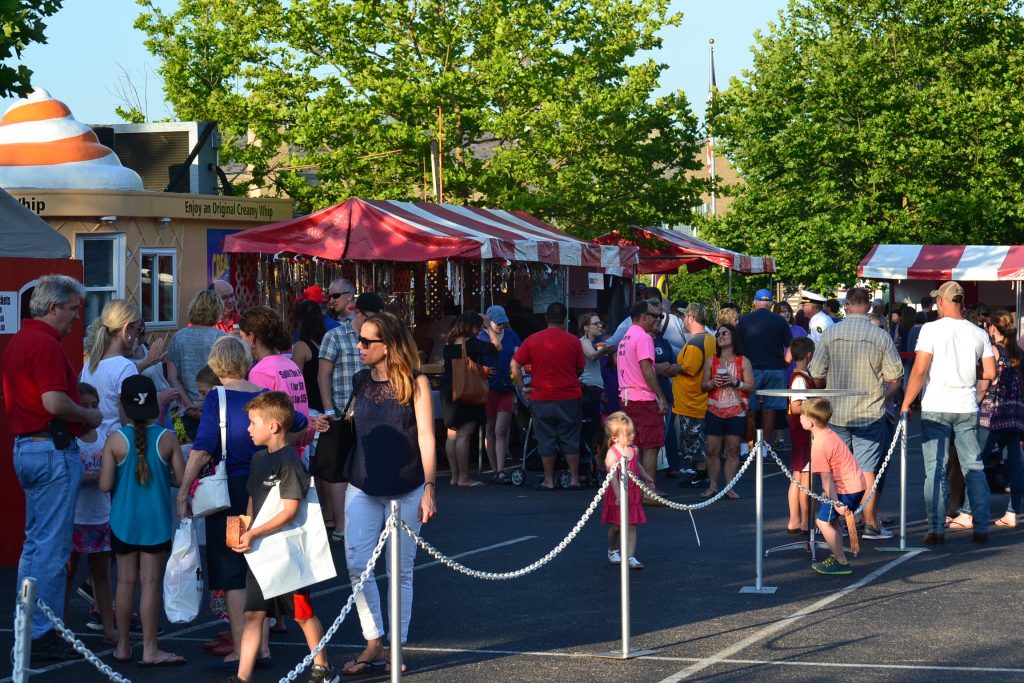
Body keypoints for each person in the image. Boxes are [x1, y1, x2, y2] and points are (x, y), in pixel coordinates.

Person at [177, 336, 311, 669]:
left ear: (216, 364)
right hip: (268, 483)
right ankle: (261, 645)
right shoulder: (262, 396)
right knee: (259, 562)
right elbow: (298, 425)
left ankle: (242, 646)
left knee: (230, 566)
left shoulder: (217, 397)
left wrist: (183, 490)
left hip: (232, 488)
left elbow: (203, 447)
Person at [1, 274, 102, 664]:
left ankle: (31, 626)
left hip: (30, 447)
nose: (77, 317)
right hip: (49, 447)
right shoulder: (43, 344)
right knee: (53, 547)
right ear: (53, 307)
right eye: (73, 309)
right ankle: (43, 632)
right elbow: (54, 403)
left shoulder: (21, 342)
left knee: (37, 544)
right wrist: (89, 416)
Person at [341, 312, 436, 676]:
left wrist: (430, 487)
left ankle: (395, 646)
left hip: (408, 485)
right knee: (356, 565)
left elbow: (427, 437)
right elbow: (357, 424)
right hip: (362, 482)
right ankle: (374, 641)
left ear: (388, 345)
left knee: (401, 570)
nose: (360, 347)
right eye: (360, 340)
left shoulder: (417, 382)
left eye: (367, 342)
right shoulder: (359, 380)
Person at [229, 391, 337, 683]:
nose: (248, 429)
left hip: (288, 550)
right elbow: (253, 498)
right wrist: (242, 529)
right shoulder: (257, 459)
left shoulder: (290, 462)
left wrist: (253, 532)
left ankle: (322, 667)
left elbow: (290, 511)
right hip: (260, 550)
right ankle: (242, 677)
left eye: (253, 423)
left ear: (274, 426)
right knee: (253, 615)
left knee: (302, 613)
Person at [99, 374, 186, 666]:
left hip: (123, 522)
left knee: (124, 582)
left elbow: (104, 485)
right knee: (150, 584)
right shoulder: (167, 437)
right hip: (157, 523)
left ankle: (123, 646)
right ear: (154, 406)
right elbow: (181, 479)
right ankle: (150, 649)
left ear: (123, 407)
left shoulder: (115, 440)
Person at [901, 281, 995, 545]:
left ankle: (936, 529)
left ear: (941, 302)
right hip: (966, 404)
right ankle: (981, 525)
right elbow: (990, 373)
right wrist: (967, 371)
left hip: (936, 405)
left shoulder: (930, 329)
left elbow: (919, 370)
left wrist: (906, 403)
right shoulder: (978, 333)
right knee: (973, 467)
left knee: (936, 469)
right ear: (961, 303)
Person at [808, 286, 903, 540]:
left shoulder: (831, 333)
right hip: (869, 412)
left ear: (846, 305)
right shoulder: (880, 336)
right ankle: (870, 523)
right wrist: (882, 397)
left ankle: (834, 521)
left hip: (836, 412)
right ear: (869, 306)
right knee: (867, 469)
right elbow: (896, 378)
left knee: (838, 470)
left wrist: (826, 394)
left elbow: (815, 372)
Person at [318, 291, 385, 542]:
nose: (376, 322)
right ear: (358, 312)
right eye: (371, 316)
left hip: (373, 413)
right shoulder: (334, 336)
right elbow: (322, 375)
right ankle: (342, 525)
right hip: (342, 413)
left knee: (367, 466)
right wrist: (328, 410)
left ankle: (368, 524)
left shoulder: (380, 337)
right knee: (338, 470)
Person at [952, 310, 1024, 530]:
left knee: (976, 462)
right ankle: (1012, 511)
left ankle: (967, 512)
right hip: (1015, 412)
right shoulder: (1018, 352)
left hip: (992, 413)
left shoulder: (992, 351)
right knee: (1014, 462)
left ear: (993, 327)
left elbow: (984, 385)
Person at [511, 302, 586, 491]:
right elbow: (580, 367)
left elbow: (514, 365)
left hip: (542, 396)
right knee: (570, 437)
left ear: (546, 318)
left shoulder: (533, 340)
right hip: (569, 395)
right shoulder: (574, 341)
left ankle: (549, 479)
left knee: (545, 438)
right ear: (565, 319)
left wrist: (523, 387)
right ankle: (575, 478)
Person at [64, 383, 116, 645]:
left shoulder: (106, 436)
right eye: (84, 406)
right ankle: (59, 628)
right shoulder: (69, 439)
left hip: (100, 516)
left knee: (102, 575)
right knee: (67, 573)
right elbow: (67, 476)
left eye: (94, 405)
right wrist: (92, 476)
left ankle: (109, 627)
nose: (91, 410)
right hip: (75, 518)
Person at [801, 398, 866, 576]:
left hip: (845, 488)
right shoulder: (828, 433)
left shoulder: (819, 445)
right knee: (832, 520)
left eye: (802, 416)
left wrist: (835, 501)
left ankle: (841, 561)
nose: (800, 419)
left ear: (811, 421)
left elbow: (827, 478)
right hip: (853, 484)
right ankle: (837, 556)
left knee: (822, 522)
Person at [239, 306, 313, 461]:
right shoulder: (290, 365)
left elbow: (262, 419)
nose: (241, 342)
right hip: (298, 448)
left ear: (252, 338)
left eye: (242, 337)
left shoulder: (260, 371)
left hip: (277, 452)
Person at [615, 300, 670, 493]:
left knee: (634, 445)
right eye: (655, 316)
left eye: (660, 316)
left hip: (627, 397)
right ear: (642, 317)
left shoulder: (626, 337)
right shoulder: (644, 337)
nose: (659, 320)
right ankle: (649, 490)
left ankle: (635, 489)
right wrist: (661, 397)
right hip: (642, 398)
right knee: (651, 445)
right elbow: (647, 369)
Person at [441, 311, 500, 486]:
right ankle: (464, 478)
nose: (478, 330)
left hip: (448, 389)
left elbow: (463, 364)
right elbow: (497, 346)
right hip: (466, 391)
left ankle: (454, 476)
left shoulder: (449, 342)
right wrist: (489, 325)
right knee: (464, 435)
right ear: (470, 327)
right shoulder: (471, 343)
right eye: (478, 327)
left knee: (451, 435)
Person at [702, 323, 754, 499]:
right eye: (718, 334)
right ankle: (713, 486)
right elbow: (703, 385)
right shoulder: (711, 360)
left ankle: (729, 487)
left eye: (725, 333)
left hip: (736, 411)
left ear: (734, 337)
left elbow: (750, 386)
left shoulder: (743, 360)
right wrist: (712, 383)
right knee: (712, 450)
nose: (720, 336)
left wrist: (735, 382)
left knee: (732, 450)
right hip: (714, 409)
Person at [167, 288, 225, 439]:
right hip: (213, 410)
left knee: (182, 454)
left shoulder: (177, 337)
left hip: (178, 412)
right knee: (211, 455)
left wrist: (187, 404)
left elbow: (172, 377)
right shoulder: (221, 339)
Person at [737, 289, 792, 448]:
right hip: (775, 370)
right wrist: (785, 365)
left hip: (751, 370)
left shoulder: (745, 320)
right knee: (770, 410)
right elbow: (791, 347)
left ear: (755, 302)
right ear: (770, 303)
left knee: (749, 409)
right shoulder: (780, 321)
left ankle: (747, 446)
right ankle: (765, 447)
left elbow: (737, 346)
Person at [601, 412, 654, 570]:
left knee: (631, 525)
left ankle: (630, 556)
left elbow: (637, 465)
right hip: (618, 493)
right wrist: (619, 495)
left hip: (633, 493)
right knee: (617, 527)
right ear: (615, 438)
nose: (633, 435)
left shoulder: (634, 450)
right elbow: (613, 478)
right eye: (628, 433)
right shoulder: (612, 453)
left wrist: (646, 477)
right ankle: (612, 549)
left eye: (633, 432)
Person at [672, 303, 716, 489]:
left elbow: (688, 368)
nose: (682, 320)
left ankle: (701, 472)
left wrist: (667, 368)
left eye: (684, 317)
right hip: (696, 398)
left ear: (691, 318)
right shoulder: (709, 339)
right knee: (696, 438)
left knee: (694, 439)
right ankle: (701, 471)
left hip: (692, 400)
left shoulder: (696, 342)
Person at [479, 305, 521, 483]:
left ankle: (501, 469)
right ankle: (495, 469)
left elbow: (520, 357)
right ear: (489, 321)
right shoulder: (481, 336)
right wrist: (483, 370)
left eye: (503, 322)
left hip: (507, 387)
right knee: (490, 428)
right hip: (488, 388)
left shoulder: (512, 335)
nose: (501, 325)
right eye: (498, 322)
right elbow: (471, 362)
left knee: (500, 429)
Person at [605, 287, 686, 355]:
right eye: (654, 316)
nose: (657, 319)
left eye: (659, 317)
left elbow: (612, 343)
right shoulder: (676, 320)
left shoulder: (631, 321)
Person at [786, 338, 814, 533]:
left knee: (798, 475)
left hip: (800, 431)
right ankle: (803, 521)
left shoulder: (801, 376)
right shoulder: (800, 379)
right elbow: (796, 406)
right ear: (810, 355)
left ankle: (796, 520)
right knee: (805, 477)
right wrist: (817, 405)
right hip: (803, 431)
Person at [579, 311, 613, 459]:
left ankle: (592, 462)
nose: (600, 326)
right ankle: (590, 462)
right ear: (586, 328)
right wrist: (604, 351)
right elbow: (592, 356)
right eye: (596, 323)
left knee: (594, 428)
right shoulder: (584, 342)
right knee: (591, 428)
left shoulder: (590, 343)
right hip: (589, 391)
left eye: (600, 323)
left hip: (594, 390)